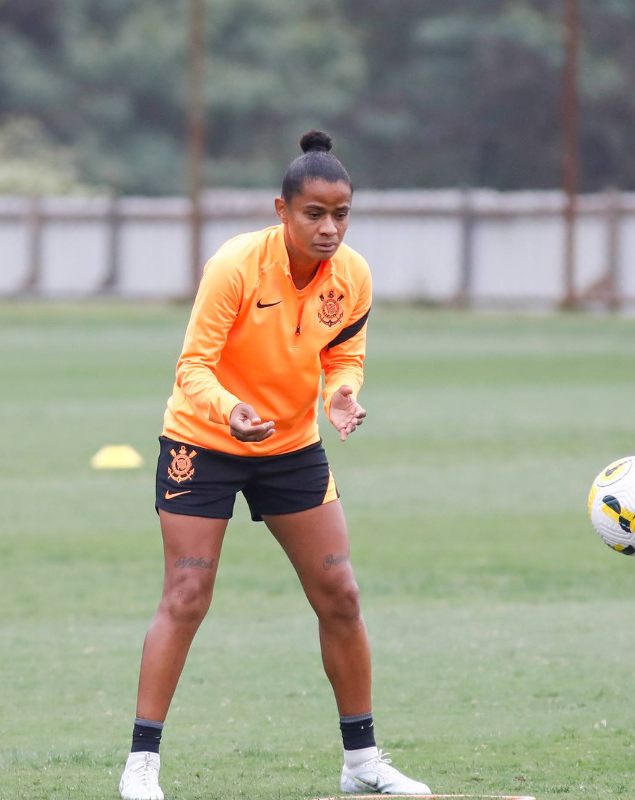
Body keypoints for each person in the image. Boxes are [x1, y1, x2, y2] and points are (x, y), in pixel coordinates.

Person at [117, 130, 429, 799]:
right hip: (203, 442)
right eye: (314, 213)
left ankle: (363, 764)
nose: (329, 227)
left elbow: (343, 352)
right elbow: (192, 367)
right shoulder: (236, 264)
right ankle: (141, 765)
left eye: (341, 213)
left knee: (341, 596)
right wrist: (229, 411)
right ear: (282, 210)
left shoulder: (353, 275)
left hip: (290, 447)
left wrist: (342, 393)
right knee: (187, 596)